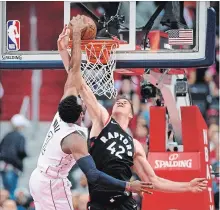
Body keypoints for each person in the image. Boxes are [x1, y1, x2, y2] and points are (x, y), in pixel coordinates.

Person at [65, 15, 208, 210]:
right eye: (119, 101)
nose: (121, 100)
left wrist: (187, 186)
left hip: (125, 203)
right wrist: (70, 50)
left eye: (126, 102)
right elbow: (80, 85)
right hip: (100, 204)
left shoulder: (134, 145)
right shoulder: (101, 121)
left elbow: (154, 181)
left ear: (132, 115)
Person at [29, 25, 152, 210]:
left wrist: (71, 44)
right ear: (81, 115)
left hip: (39, 177)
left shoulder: (62, 112)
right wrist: (127, 185)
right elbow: (93, 175)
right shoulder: (75, 138)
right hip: (51, 183)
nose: (83, 101)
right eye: (82, 103)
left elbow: (74, 73)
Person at [0, 114, 29, 199]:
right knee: (12, 192)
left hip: (3, 166)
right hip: (13, 167)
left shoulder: (7, 135)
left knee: (6, 192)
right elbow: (21, 150)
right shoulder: (20, 137)